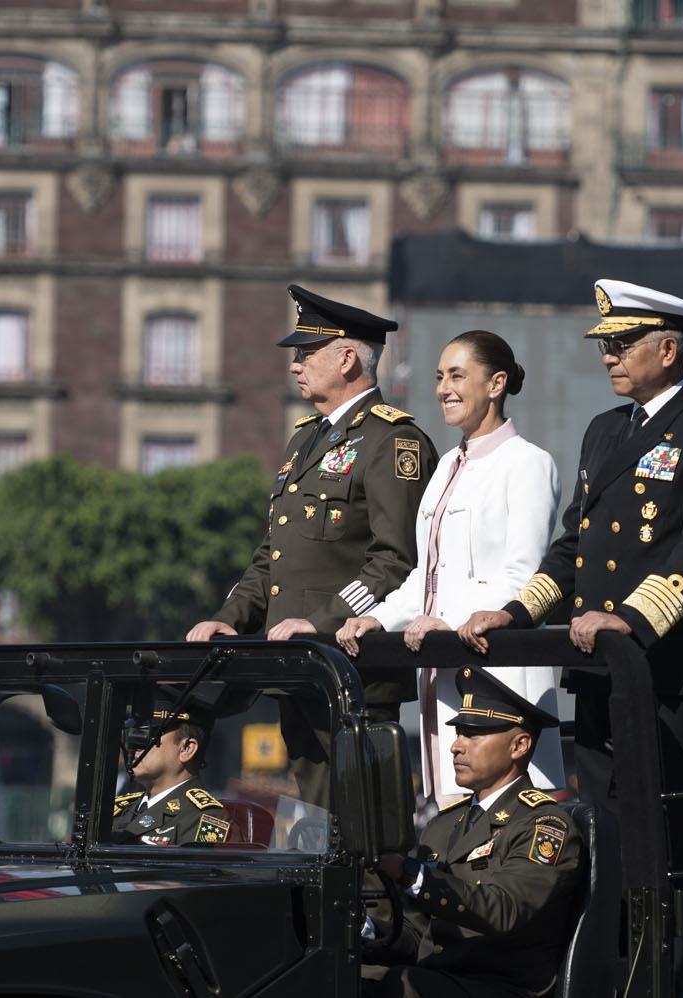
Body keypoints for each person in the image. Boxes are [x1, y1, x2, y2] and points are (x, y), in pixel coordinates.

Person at [459, 278, 683, 873]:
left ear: (667, 351)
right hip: (596, 667)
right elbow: (573, 548)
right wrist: (515, 613)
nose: (608, 356)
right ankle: (607, 962)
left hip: (662, 668)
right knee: (599, 839)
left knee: (660, 845)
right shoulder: (604, 429)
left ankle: (663, 966)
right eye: (604, 345)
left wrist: (628, 619)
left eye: (623, 343)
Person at [186, 285, 439, 809]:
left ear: (347, 358)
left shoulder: (394, 442)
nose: (295, 365)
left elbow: (398, 561)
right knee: (322, 828)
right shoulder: (305, 439)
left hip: (353, 673)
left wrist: (322, 622)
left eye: (306, 353)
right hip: (299, 670)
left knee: (363, 834)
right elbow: (271, 556)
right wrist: (230, 616)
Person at [336, 331, 564, 805]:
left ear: (497, 383)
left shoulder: (528, 463)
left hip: (494, 671)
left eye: (458, 375)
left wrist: (447, 618)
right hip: (440, 662)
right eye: (440, 377)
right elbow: (425, 577)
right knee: (449, 812)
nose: (443, 388)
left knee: (503, 818)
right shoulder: (445, 467)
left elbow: (523, 576)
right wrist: (379, 616)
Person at [363, 667, 582, 998]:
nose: (456, 746)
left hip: (503, 987)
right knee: (343, 975)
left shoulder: (543, 826)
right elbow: (419, 934)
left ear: (519, 745)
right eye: (459, 733)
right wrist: (361, 930)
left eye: (474, 735)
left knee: (399, 985)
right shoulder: (444, 825)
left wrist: (410, 873)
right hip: (444, 981)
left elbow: (504, 908)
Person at [111, 699, 230, 845]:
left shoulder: (203, 819)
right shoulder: (120, 809)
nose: (135, 744)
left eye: (149, 735)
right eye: (134, 734)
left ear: (186, 749)